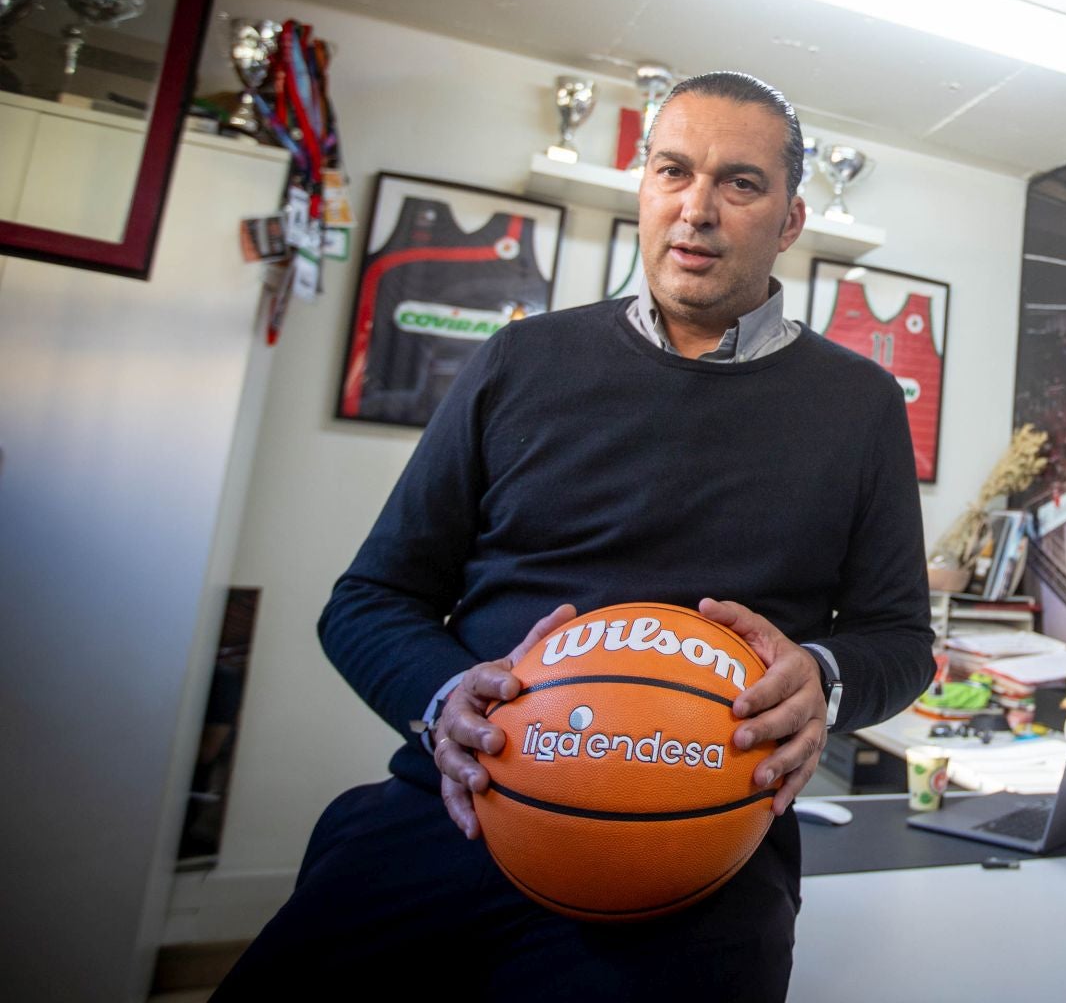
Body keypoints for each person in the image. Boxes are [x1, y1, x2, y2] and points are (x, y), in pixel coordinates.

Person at [216, 72, 936, 997]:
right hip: (465, 804)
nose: (697, 209)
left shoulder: (861, 403)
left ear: (791, 220)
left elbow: (900, 641)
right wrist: (443, 703)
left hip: (701, 844)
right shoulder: (523, 359)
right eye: (673, 171)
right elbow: (367, 601)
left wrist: (824, 677)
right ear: (644, 188)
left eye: (740, 184)